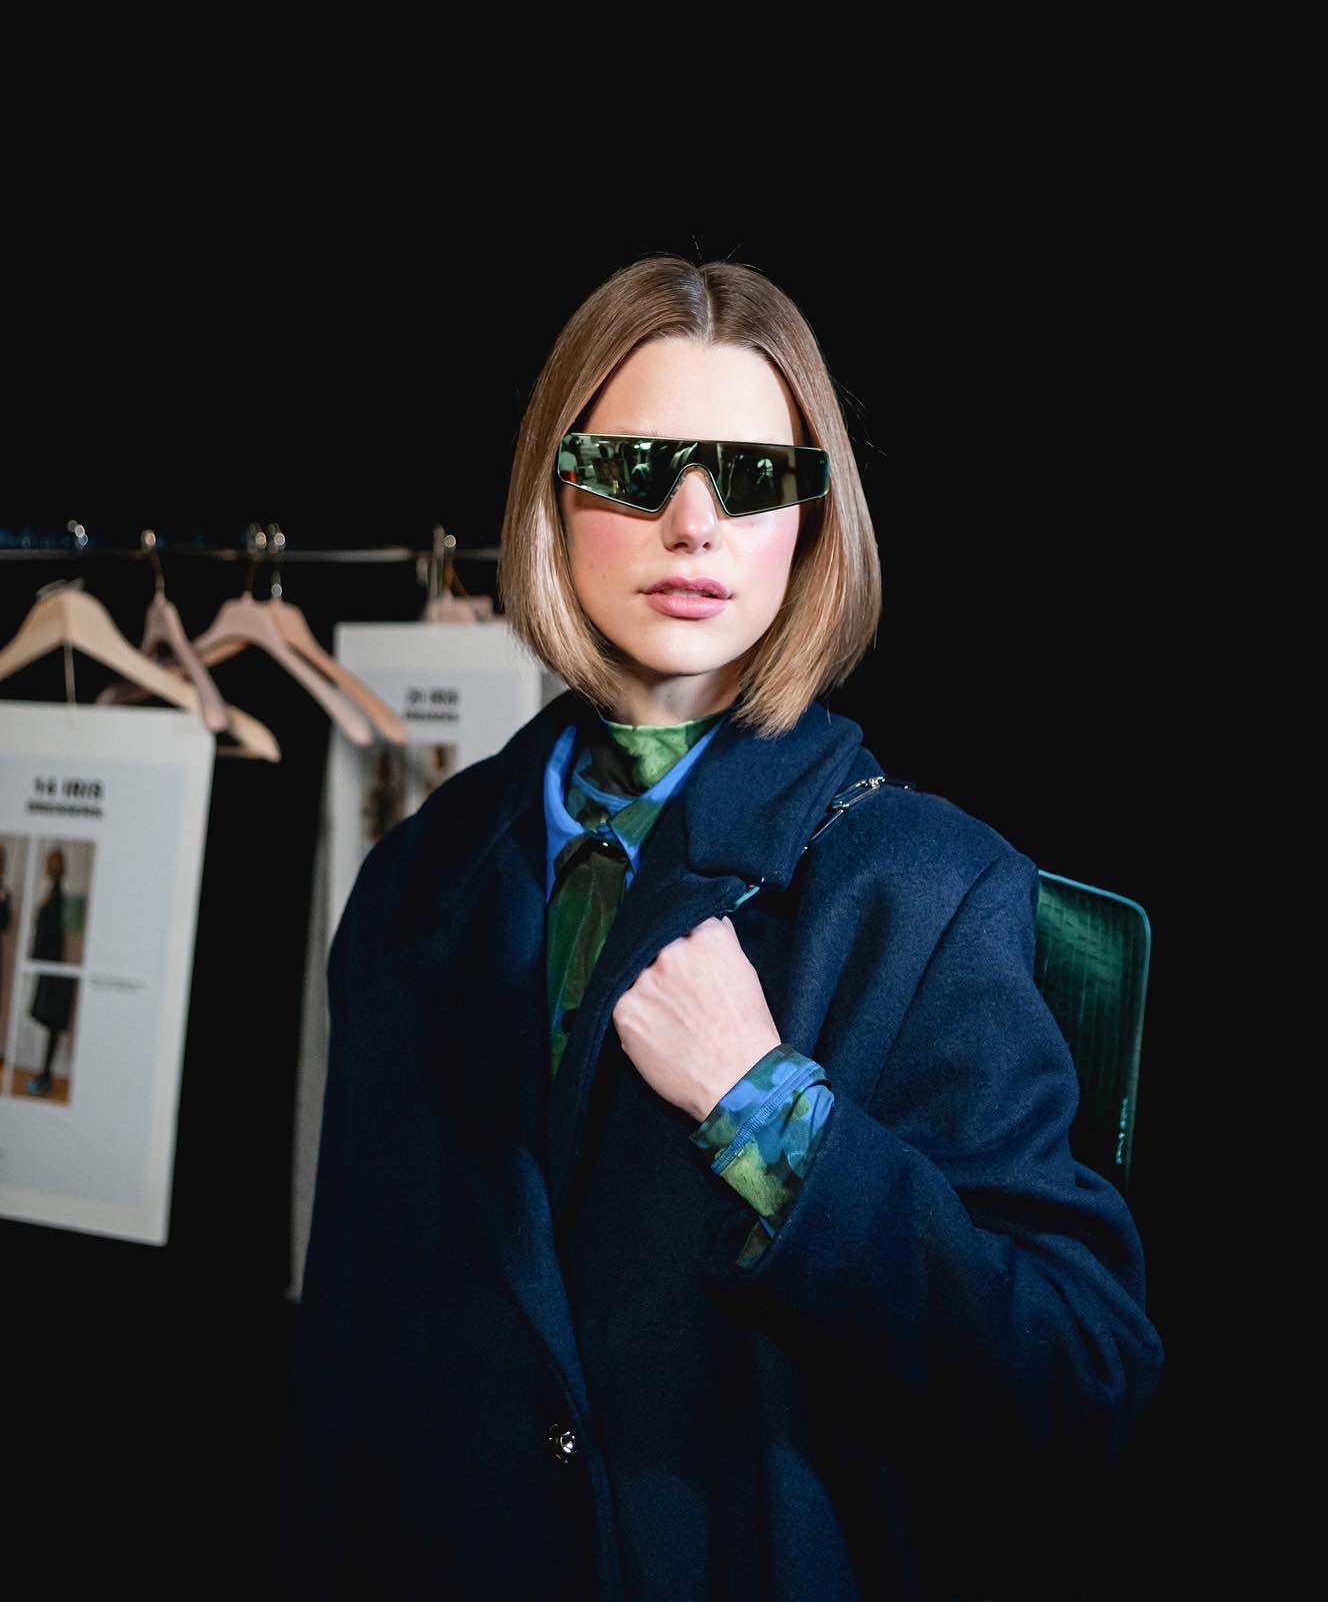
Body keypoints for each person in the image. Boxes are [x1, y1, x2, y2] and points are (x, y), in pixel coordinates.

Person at [278, 255, 1165, 1600]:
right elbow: (347, 1364)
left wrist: (770, 1110)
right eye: (638, 468)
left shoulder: (926, 887)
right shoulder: (416, 879)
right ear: (556, 492)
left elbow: (1081, 1373)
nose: (693, 523)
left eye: (751, 478)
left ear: (810, 522)